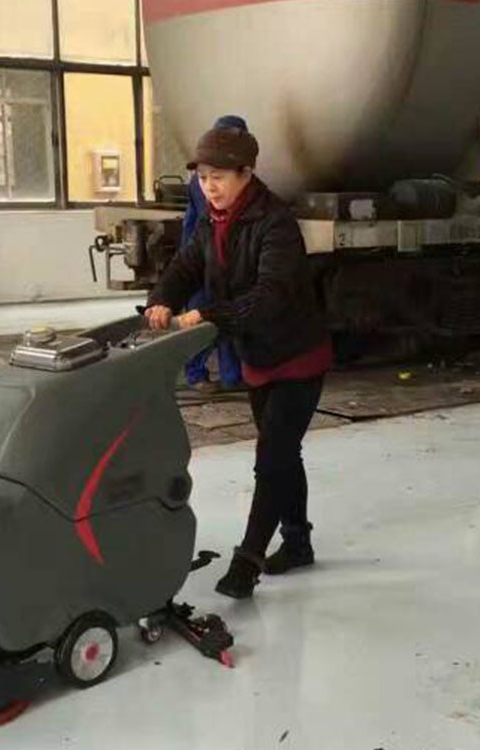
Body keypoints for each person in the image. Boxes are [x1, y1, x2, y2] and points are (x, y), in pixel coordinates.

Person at [145, 124, 333, 599]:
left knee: (271, 459)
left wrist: (210, 314)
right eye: (203, 177)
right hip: (258, 356)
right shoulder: (213, 221)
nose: (210, 186)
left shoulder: (276, 223)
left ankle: (247, 563)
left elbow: (270, 296)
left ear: (246, 174)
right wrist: (162, 298)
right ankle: (298, 542)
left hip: (297, 356)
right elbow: (186, 265)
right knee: (283, 454)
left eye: (220, 177)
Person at [179, 117, 245, 390]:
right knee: (204, 315)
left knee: (223, 314)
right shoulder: (211, 180)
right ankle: (197, 374)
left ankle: (232, 377)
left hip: (215, 256)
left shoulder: (206, 176)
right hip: (205, 258)